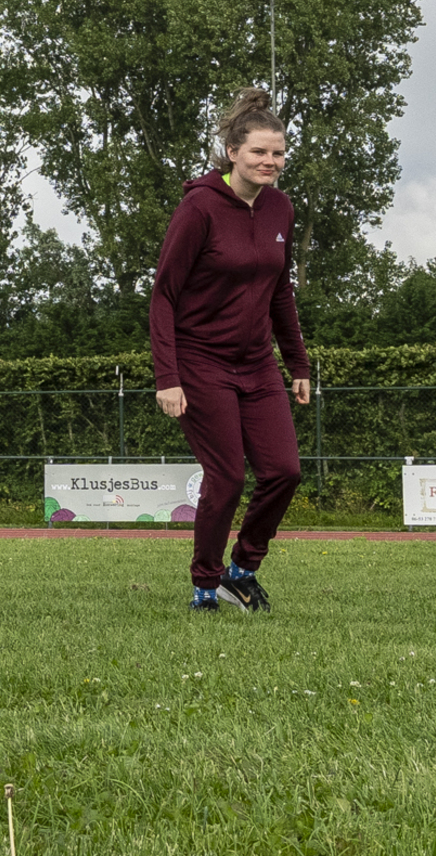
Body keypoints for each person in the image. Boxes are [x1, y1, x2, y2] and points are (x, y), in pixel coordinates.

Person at [148, 89, 313, 613]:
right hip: (200, 362)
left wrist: (298, 364)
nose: (271, 162)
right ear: (234, 151)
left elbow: (280, 293)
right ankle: (204, 584)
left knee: (284, 471)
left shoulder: (281, 208)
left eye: (279, 153)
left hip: (258, 363)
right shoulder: (199, 207)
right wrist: (167, 375)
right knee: (226, 476)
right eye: (261, 153)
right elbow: (164, 296)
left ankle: (241, 569)